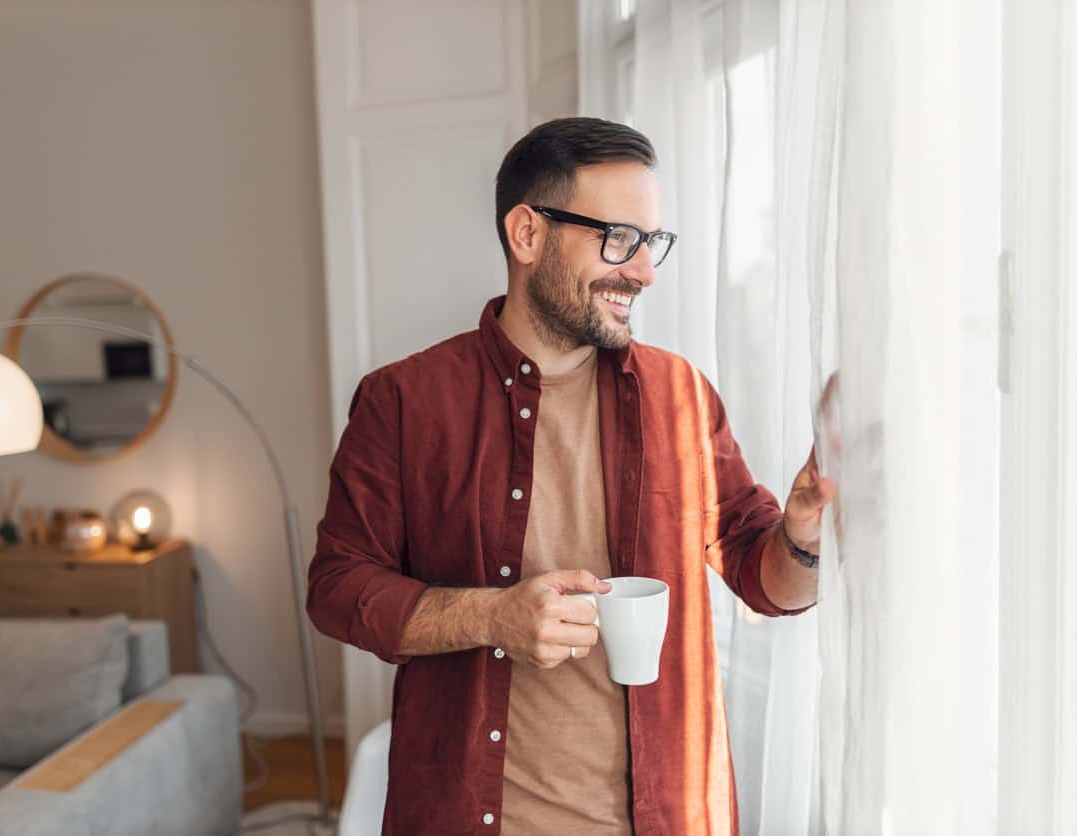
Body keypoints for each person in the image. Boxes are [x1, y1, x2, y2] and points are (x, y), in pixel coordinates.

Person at [306, 117, 835, 835]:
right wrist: (492, 616)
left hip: (671, 815)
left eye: (652, 244)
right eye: (618, 239)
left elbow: (762, 576)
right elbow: (338, 589)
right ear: (527, 234)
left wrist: (801, 535)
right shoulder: (404, 400)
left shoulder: (680, 394)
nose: (643, 271)